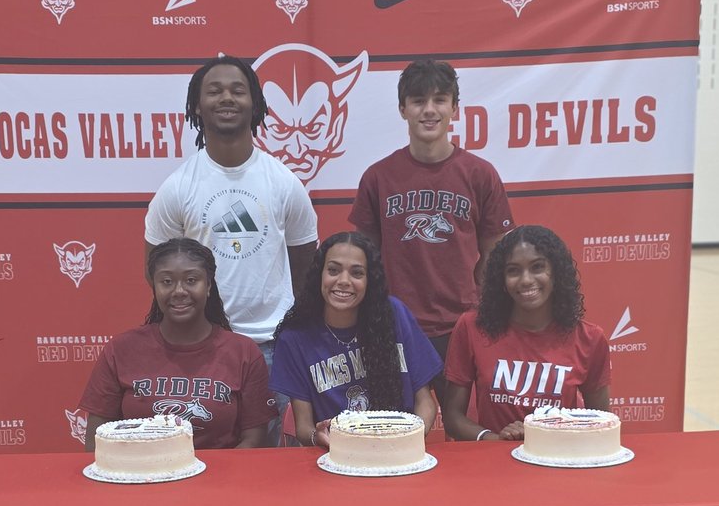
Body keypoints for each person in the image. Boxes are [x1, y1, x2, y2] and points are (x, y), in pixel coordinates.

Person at [144, 54, 319, 442]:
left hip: (274, 348)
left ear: (255, 104)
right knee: (208, 460)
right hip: (203, 349)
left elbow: (308, 269)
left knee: (278, 466)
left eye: (238, 90)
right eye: (215, 91)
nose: (227, 98)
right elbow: (158, 271)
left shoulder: (285, 183)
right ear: (196, 106)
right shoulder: (177, 187)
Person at [349, 58, 514, 402]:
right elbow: (365, 258)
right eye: (418, 101)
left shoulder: (480, 174)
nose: (429, 110)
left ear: (455, 108)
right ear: (402, 109)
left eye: (439, 100)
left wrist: (483, 312)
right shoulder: (378, 177)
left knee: (466, 433)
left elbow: (496, 256)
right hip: (398, 326)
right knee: (398, 429)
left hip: (462, 326)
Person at [81, 239, 275, 450]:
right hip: (139, 476)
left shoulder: (243, 352)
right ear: (154, 287)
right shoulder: (120, 350)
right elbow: (95, 440)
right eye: (166, 281)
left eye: (191, 280)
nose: (179, 291)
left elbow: (254, 440)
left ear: (208, 285)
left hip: (219, 479)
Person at [271, 232, 442, 450]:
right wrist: (318, 436)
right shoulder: (295, 338)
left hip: (399, 449)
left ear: (370, 280)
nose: (343, 281)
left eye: (357, 273)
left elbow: (425, 401)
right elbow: (303, 427)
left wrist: (411, 438)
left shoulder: (394, 315)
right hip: (338, 456)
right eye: (333, 270)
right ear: (319, 275)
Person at [442, 225, 611, 441]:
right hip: (494, 464)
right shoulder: (471, 327)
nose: (526, 280)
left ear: (556, 272)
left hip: (559, 463)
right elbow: (452, 417)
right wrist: (494, 440)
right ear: (501, 279)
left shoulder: (590, 338)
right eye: (513, 270)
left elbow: (601, 423)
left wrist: (545, 434)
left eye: (537, 267)